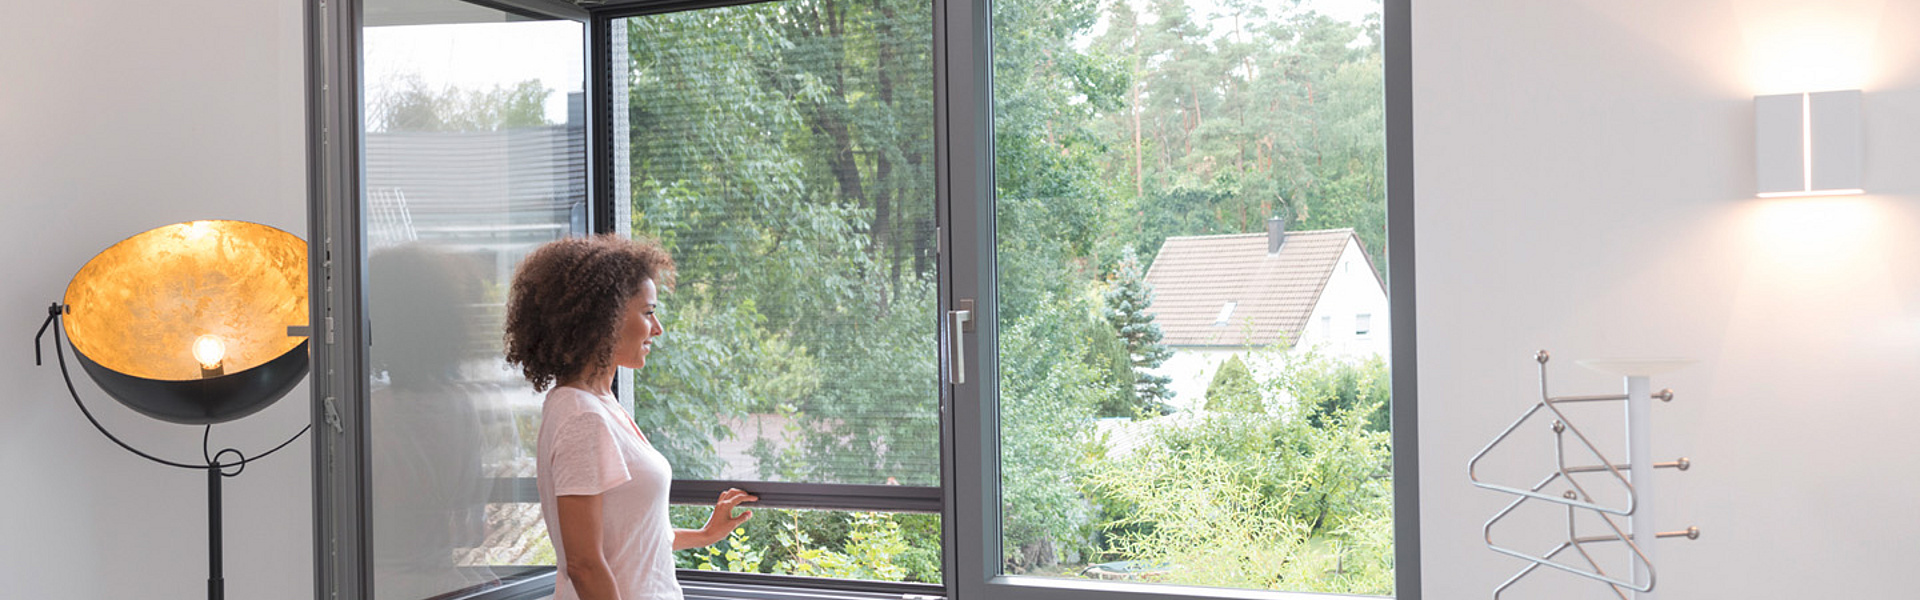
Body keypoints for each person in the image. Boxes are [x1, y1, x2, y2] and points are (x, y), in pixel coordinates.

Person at [504, 234, 756, 600]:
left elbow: (628, 541)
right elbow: (584, 564)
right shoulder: (581, 416)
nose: (658, 328)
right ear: (603, 319)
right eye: (648, 312)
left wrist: (705, 535)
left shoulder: (599, 404)